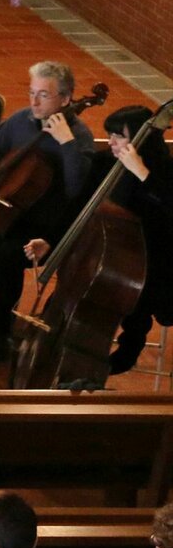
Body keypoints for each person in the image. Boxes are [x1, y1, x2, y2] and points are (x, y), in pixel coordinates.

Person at [0, 61, 96, 363]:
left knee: (9, 255)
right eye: (31, 92)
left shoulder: (79, 137)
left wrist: (66, 143)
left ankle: (0, 331)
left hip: (45, 225)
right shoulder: (23, 120)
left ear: (66, 99)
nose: (34, 102)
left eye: (44, 95)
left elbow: (78, 189)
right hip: (6, 210)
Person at [106, 105, 173, 378]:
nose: (111, 142)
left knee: (141, 285)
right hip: (129, 253)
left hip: (163, 259)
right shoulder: (110, 164)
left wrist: (142, 173)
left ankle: (129, 348)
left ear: (139, 138)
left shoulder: (164, 169)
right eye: (109, 135)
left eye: (118, 136)